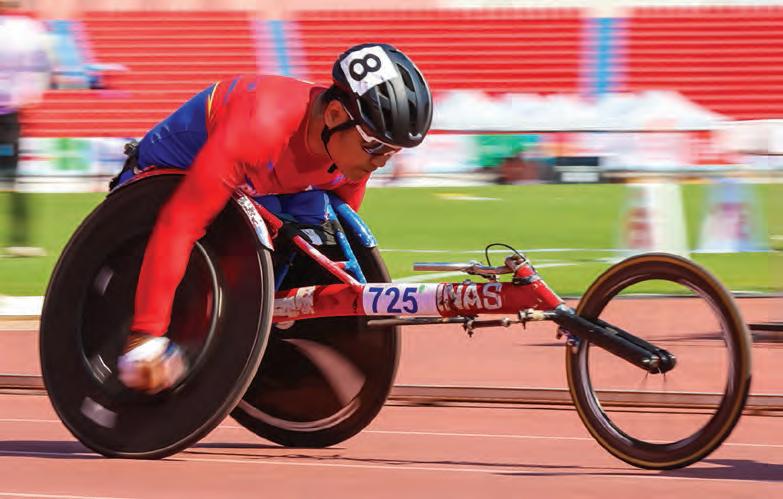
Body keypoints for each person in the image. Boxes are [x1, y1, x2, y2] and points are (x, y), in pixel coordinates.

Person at [116, 43, 433, 393]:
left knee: (315, 216)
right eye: (375, 146)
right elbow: (178, 224)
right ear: (334, 115)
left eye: (393, 151)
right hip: (168, 178)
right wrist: (145, 336)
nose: (381, 161)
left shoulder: (351, 151)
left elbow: (333, 239)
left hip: (258, 184)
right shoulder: (257, 130)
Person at [0, 1, 51, 257]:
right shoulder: (28, 30)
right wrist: (31, 92)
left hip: (8, 115)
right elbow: (42, 65)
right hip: (9, 116)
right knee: (11, 176)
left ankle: (19, 238)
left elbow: (40, 65)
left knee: (10, 175)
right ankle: (20, 239)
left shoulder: (25, 29)